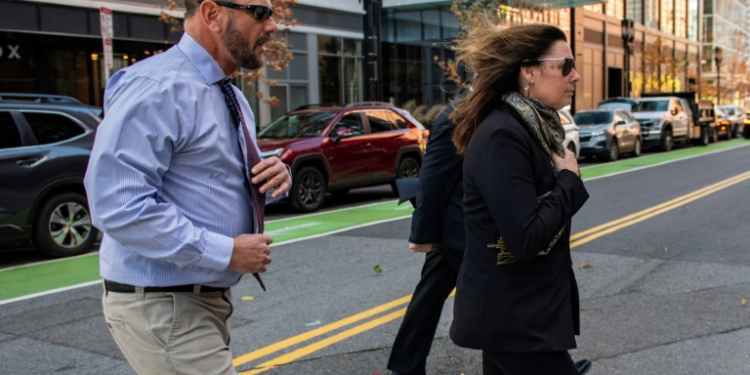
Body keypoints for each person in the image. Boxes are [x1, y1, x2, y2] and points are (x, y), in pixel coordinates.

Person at [84, 1, 291, 374]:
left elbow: (221, 179)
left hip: (199, 301)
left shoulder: (228, 93)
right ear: (212, 14)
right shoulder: (158, 87)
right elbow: (117, 205)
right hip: (164, 304)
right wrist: (225, 252)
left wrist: (277, 177)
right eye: (260, 12)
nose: (273, 26)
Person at [448, 24, 590, 375]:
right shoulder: (502, 135)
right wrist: (569, 181)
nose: (575, 76)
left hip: (520, 314)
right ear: (529, 70)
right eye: (565, 65)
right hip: (513, 319)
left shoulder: (531, 128)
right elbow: (526, 238)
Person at [387, 95, 466, 375]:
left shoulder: (475, 106)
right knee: (505, 294)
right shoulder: (458, 113)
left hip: (455, 228)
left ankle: (405, 367)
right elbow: (433, 176)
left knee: (428, 298)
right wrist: (421, 233)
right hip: (457, 229)